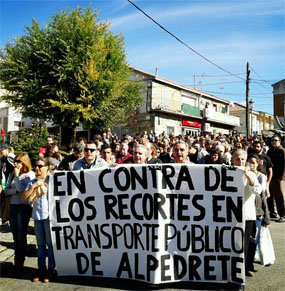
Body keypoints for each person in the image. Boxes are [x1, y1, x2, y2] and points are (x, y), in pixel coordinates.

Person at [21, 158, 56, 283]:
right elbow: (23, 198)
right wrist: (34, 187)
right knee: (41, 245)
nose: (37, 168)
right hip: (37, 216)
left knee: (50, 245)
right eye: (36, 166)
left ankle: (51, 268)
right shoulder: (32, 181)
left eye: (40, 166)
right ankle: (41, 268)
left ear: (47, 168)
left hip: (49, 217)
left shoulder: (52, 180)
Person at [231, 149, 262, 277]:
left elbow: (257, 190)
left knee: (244, 245)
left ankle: (241, 271)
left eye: (243, 159)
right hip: (230, 215)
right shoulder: (227, 172)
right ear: (232, 160)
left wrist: (249, 177)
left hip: (247, 215)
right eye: (237, 159)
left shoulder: (251, 174)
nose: (240, 162)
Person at [4, 153, 35, 274]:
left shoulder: (29, 175)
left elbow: (23, 191)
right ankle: (17, 260)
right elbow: (6, 191)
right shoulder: (12, 174)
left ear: (24, 163)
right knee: (15, 235)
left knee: (21, 235)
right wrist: (15, 190)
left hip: (23, 207)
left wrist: (17, 179)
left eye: (18, 162)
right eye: (15, 161)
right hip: (12, 207)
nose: (15, 164)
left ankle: (19, 262)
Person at [246, 154, 270, 273]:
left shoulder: (260, 177)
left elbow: (263, 196)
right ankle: (244, 266)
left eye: (253, 163)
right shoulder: (243, 174)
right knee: (245, 241)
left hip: (257, 213)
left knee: (254, 241)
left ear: (257, 164)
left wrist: (267, 217)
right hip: (246, 213)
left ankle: (249, 265)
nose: (251, 164)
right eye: (249, 162)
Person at [267, 135, 285, 222]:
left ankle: (283, 214)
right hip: (271, 176)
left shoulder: (282, 151)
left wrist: (282, 177)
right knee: (270, 195)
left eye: (275, 140)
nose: (273, 142)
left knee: (279, 197)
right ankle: (272, 213)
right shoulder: (270, 151)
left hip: (279, 177)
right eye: (272, 140)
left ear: (279, 142)